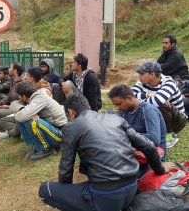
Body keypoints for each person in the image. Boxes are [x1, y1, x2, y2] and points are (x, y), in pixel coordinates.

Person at [38, 94, 177, 211]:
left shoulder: (71, 127)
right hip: (131, 187)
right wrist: (159, 169)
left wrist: (66, 192)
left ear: (71, 112)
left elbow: (65, 170)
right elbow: (149, 146)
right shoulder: (115, 118)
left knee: (45, 190)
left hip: (106, 196)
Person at [132, 61, 187, 148]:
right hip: (157, 115)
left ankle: (170, 134)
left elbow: (156, 102)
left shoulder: (169, 83)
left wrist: (137, 100)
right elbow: (130, 95)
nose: (139, 77)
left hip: (177, 121)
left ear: (152, 75)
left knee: (162, 104)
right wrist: (145, 95)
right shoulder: (142, 82)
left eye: (142, 74)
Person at [15, 81, 67, 160]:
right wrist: (24, 111)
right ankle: (36, 146)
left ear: (25, 97)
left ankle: (46, 149)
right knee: (24, 117)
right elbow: (17, 111)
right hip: (53, 129)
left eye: (19, 96)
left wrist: (27, 114)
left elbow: (20, 116)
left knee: (31, 121)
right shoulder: (36, 96)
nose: (18, 98)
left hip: (60, 134)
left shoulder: (40, 98)